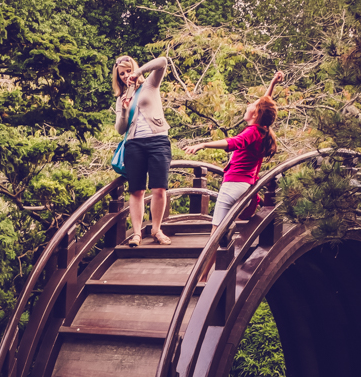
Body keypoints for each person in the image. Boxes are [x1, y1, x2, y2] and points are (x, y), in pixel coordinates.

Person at [184, 71, 284, 226]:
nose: (249, 105)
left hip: (233, 184)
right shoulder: (262, 130)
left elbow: (233, 142)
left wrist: (203, 145)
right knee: (227, 229)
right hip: (246, 185)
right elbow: (263, 106)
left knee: (217, 230)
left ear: (256, 114)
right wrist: (272, 84)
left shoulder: (252, 132)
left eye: (252, 105)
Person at [113, 54, 172, 246]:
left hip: (158, 140)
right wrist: (124, 110)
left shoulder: (150, 84)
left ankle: (156, 229)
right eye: (122, 73)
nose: (125, 75)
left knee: (159, 188)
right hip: (134, 144)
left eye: (128, 71)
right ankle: (136, 234)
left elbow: (162, 62)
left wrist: (138, 72)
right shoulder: (121, 98)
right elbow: (120, 129)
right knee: (136, 190)